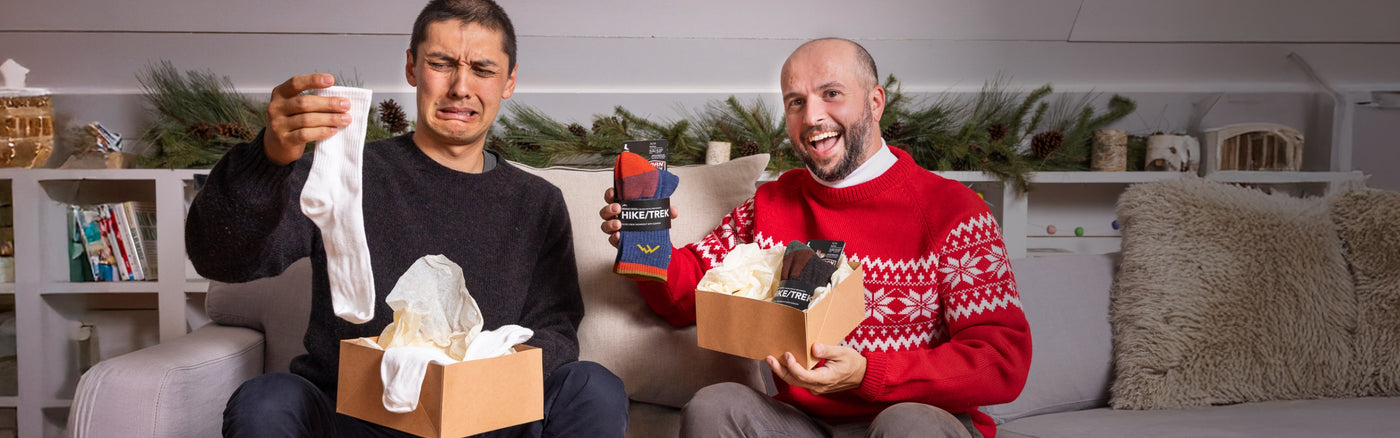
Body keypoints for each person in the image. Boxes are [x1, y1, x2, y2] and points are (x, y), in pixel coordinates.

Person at [187, 1, 628, 436]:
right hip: (355, 413)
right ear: (412, 68)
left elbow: (556, 331)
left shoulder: (538, 202)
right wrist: (267, 160)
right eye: (441, 63)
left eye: (483, 69)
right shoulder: (343, 176)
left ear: (508, 81)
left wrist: (464, 377)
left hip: (487, 417)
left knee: (593, 386)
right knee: (267, 399)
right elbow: (222, 258)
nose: (460, 87)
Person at [599, 38, 1032, 438]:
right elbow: (687, 298)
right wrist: (644, 241)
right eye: (795, 102)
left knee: (907, 423)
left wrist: (868, 373)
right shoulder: (772, 203)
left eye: (831, 94)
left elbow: (1003, 361)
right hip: (803, 424)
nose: (812, 117)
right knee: (717, 405)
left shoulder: (953, 211)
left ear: (875, 102)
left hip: (916, 416)